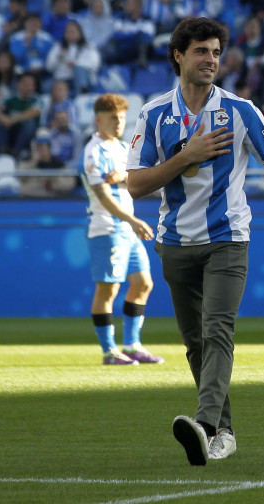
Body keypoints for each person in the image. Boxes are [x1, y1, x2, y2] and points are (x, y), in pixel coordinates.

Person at [125, 17, 264, 466]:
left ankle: (206, 426)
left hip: (227, 239)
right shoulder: (155, 114)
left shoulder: (241, 111)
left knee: (218, 329)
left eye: (216, 52)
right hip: (174, 242)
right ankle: (224, 433)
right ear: (179, 55)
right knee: (196, 343)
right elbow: (135, 185)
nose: (211, 60)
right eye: (201, 51)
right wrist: (187, 156)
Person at [81, 93, 161, 365]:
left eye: (122, 118)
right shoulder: (94, 152)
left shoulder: (124, 148)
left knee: (143, 283)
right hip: (107, 227)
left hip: (126, 228)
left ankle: (132, 345)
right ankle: (109, 351)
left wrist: (125, 176)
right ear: (98, 119)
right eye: (113, 118)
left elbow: (139, 179)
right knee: (108, 289)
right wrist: (133, 220)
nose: (118, 123)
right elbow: (103, 196)